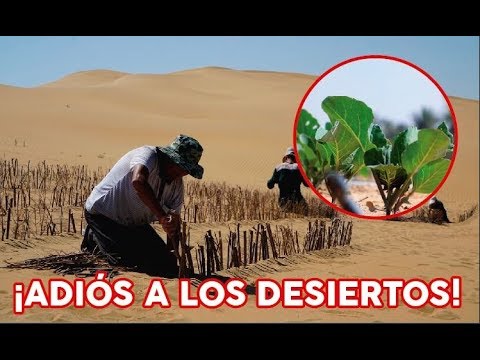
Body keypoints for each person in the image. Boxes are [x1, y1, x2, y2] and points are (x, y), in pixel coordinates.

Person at [81, 134, 204, 277]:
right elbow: (138, 181)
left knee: (162, 263)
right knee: (125, 263)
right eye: (180, 167)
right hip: (103, 215)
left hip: (135, 223)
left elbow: (173, 221)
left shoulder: (176, 185)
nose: (182, 173)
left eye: (186, 170)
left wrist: (173, 253)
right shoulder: (148, 155)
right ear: (170, 158)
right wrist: (162, 216)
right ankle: (93, 236)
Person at [267, 147, 308, 214]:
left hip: (283, 200)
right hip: (297, 199)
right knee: (305, 212)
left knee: (285, 215)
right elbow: (306, 184)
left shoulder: (279, 167)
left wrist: (278, 180)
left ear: (286, 157)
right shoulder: (299, 167)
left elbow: (270, 185)